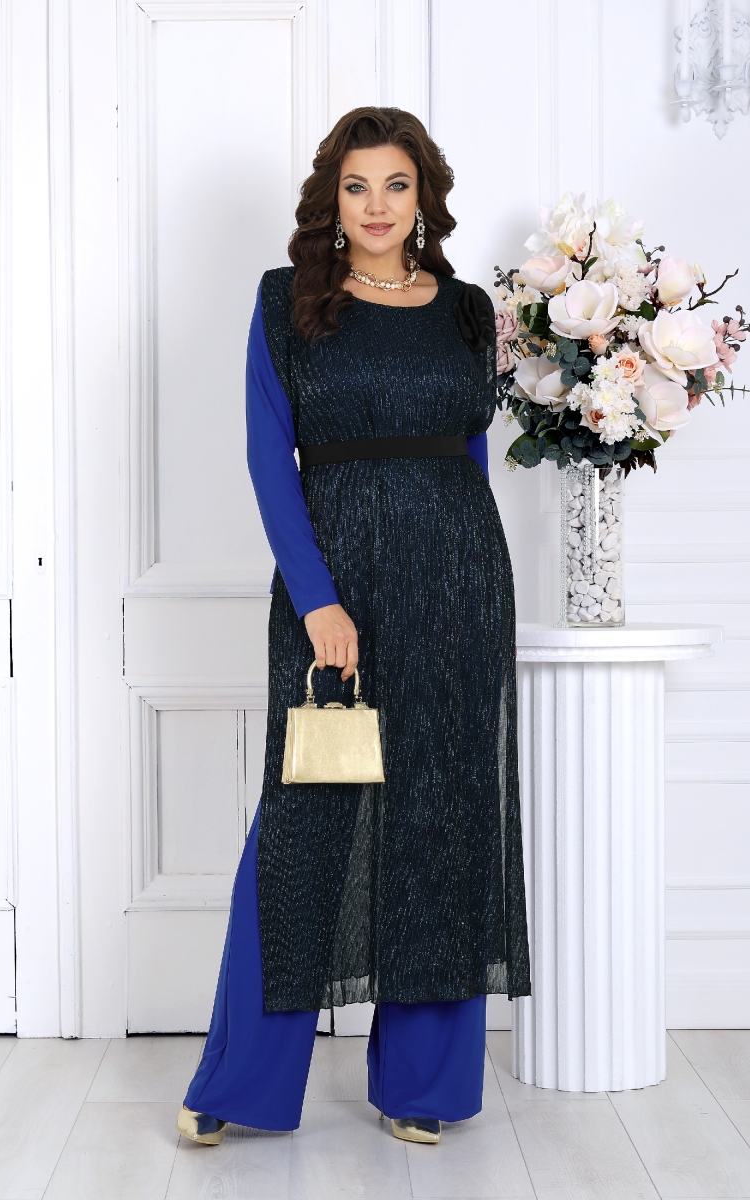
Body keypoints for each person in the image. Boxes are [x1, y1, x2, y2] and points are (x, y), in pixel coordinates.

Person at [176, 106, 530, 1148]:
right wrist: (318, 598)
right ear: (333, 199)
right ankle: (244, 1080)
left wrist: (466, 585)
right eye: (358, 186)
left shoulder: (467, 310)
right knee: (303, 827)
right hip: (331, 586)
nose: (378, 206)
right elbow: (267, 458)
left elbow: (469, 456)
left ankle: (424, 1084)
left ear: (425, 198)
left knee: (441, 822)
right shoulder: (287, 303)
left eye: (397, 185)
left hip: (457, 584)